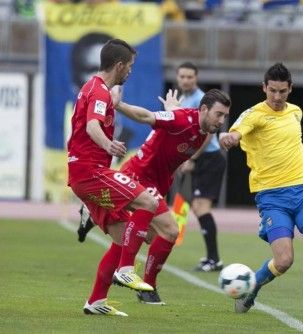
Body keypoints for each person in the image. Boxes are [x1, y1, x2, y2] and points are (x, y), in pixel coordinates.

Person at [219, 63, 303, 323]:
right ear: (264, 87)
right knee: (284, 259)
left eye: (283, 91)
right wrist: (229, 139)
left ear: (290, 89)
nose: (277, 97)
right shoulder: (253, 114)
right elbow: (235, 132)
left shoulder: (295, 112)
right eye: (272, 91)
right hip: (272, 197)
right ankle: (251, 289)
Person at [67, 39, 161, 316]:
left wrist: (115, 99)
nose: (131, 71)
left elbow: (96, 115)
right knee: (148, 203)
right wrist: (108, 145)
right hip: (91, 172)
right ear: (119, 65)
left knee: (123, 239)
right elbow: (93, 125)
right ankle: (126, 270)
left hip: (83, 174)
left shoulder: (95, 88)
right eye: (130, 66)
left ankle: (96, 301)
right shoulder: (98, 92)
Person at [115, 88, 231, 305]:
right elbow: (146, 116)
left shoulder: (202, 128)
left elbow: (178, 121)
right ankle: (143, 284)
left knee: (150, 236)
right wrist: (118, 105)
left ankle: (100, 217)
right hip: (139, 176)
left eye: (225, 116)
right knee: (170, 231)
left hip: (158, 183)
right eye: (219, 114)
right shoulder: (180, 120)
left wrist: (172, 108)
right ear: (204, 109)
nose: (222, 120)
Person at [175, 62, 226, 272]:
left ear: (196, 78)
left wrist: (192, 158)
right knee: (192, 206)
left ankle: (214, 259)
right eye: (182, 76)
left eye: (190, 77)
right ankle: (212, 258)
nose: (186, 80)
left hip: (209, 158)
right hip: (198, 159)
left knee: (200, 207)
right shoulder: (183, 99)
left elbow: (207, 133)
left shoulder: (201, 100)